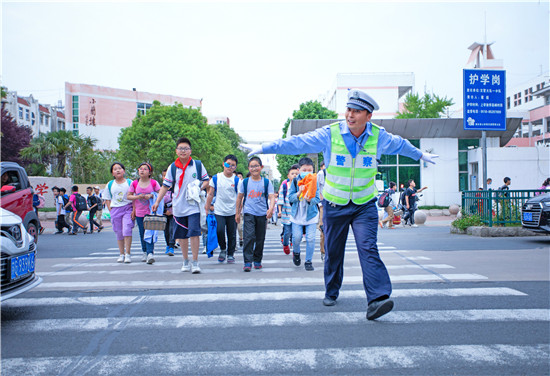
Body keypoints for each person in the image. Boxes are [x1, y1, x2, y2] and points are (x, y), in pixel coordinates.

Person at [240, 89, 438, 320]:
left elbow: (401, 145)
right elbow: (298, 143)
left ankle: (378, 299)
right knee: (334, 251)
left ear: (368, 115)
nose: (350, 115)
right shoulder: (330, 133)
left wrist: (420, 155)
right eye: (348, 110)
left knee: (368, 248)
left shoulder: (379, 136)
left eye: (356, 111)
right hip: (335, 204)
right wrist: (265, 148)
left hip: (364, 204)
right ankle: (332, 291)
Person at [152, 137, 209, 274]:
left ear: (190, 151)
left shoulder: (198, 165)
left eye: (186, 148)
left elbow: (207, 181)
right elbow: (166, 186)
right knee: (182, 235)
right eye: (181, 148)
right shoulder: (173, 167)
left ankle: (195, 262)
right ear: (176, 151)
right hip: (178, 206)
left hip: (193, 205)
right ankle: (185, 261)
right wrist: (157, 202)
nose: (183, 151)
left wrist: (199, 188)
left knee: (194, 233)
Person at [235, 156, 275, 272]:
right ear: (249, 168)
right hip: (248, 213)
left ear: (261, 167)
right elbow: (239, 198)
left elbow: (271, 197)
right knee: (248, 237)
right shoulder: (245, 182)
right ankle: (247, 262)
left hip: (262, 214)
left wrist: (271, 209)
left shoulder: (266, 182)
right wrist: (237, 213)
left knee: (260, 238)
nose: (254, 168)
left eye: (256, 166)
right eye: (252, 166)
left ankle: (257, 260)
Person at [205, 155, 240, 264]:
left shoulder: (237, 180)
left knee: (232, 234)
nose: (230, 167)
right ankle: (223, 249)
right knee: (219, 230)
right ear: (223, 164)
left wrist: (238, 212)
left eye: (233, 165)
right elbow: (210, 194)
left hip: (232, 211)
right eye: (228, 164)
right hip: (219, 210)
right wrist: (206, 208)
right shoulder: (216, 178)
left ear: (235, 167)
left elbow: (240, 197)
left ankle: (230, 254)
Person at [288, 157, 320, 271]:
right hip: (297, 215)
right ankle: (296, 253)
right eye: (304, 169)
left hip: (311, 215)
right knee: (296, 238)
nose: (307, 172)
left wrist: (309, 199)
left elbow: (317, 199)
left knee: (311, 238)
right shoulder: (296, 181)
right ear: (299, 170)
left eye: (309, 170)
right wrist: (299, 193)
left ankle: (308, 261)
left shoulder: (315, 181)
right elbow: (290, 197)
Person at [127, 162, 161, 264]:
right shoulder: (134, 183)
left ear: (150, 172)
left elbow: (161, 195)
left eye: (145, 169)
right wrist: (138, 197)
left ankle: (150, 253)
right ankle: (145, 252)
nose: (142, 170)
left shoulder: (154, 183)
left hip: (151, 212)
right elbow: (129, 196)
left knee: (150, 232)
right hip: (139, 212)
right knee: (142, 232)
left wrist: (151, 196)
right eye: (140, 168)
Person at [104, 162, 135, 263]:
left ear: (124, 171)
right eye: (115, 169)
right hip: (115, 210)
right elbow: (107, 198)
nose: (117, 170)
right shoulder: (110, 184)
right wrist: (111, 210)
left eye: (120, 168)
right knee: (119, 233)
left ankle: (128, 254)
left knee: (127, 230)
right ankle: (121, 254)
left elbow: (135, 198)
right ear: (112, 173)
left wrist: (134, 210)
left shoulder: (130, 182)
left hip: (128, 209)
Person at [277, 164, 299, 255]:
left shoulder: (300, 186)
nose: (294, 175)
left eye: (296, 174)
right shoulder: (285, 186)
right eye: (292, 173)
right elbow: (280, 199)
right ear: (288, 176)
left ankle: (295, 250)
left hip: (297, 214)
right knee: (287, 232)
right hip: (286, 214)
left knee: (296, 234)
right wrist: (279, 211)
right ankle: (285, 244)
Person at [161, 169, 176, 256]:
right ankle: (167, 245)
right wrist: (164, 211)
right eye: (164, 175)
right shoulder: (161, 189)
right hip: (164, 213)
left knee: (172, 230)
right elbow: (159, 201)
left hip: (174, 213)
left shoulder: (176, 188)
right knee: (166, 230)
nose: (166, 177)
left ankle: (171, 246)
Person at [317, 161, 327, 261]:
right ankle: (323, 251)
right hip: (323, 205)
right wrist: (320, 197)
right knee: (323, 229)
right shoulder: (321, 174)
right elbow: (316, 187)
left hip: (336, 204)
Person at [235, 171, 245, 247]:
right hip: (235, 211)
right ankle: (234, 243)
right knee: (235, 228)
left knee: (241, 227)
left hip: (244, 211)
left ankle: (241, 238)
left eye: (240, 177)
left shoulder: (245, 185)